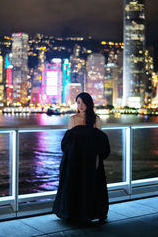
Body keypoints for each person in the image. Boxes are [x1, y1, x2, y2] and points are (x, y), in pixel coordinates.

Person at [52, 92, 110, 224]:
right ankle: (73, 213)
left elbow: (99, 143)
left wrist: (96, 161)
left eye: (83, 102)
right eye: (78, 102)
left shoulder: (96, 119)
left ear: (89, 103)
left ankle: (90, 213)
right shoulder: (72, 119)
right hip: (74, 159)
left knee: (89, 186)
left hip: (90, 160)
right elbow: (68, 142)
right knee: (75, 185)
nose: (81, 105)